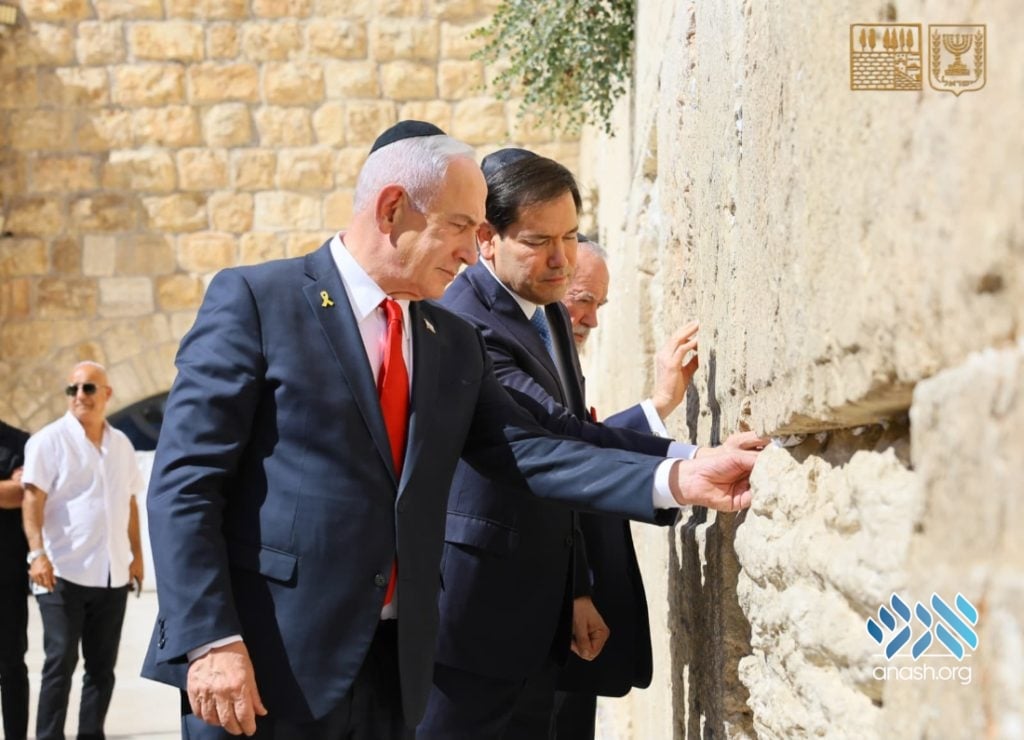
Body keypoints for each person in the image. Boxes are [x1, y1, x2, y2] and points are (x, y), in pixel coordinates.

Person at [140, 121, 760, 739]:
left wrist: (679, 476)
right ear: (392, 209)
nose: (471, 251)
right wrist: (210, 640)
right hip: (261, 665)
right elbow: (186, 483)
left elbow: (530, 449)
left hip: (392, 675)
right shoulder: (259, 300)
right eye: (460, 226)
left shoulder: (449, 339)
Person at [419, 153, 762, 739]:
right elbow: (554, 438)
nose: (562, 259)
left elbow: (573, 432)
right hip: (476, 618)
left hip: (543, 618)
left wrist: (577, 588)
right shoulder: (465, 324)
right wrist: (685, 468)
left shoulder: (546, 308)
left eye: (571, 237)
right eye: (538, 241)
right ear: (487, 239)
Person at [555, 236, 705, 738]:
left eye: (600, 305)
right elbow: (558, 468)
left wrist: (658, 405)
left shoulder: (556, 362)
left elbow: (582, 444)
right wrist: (575, 592)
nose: (592, 320)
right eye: (582, 300)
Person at [21, 361, 145, 740]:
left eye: (89, 388)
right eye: (72, 389)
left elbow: (130, 502)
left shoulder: (121, 444)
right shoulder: (48, 440)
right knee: (60, 664)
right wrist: (36, 554)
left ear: (107, 394)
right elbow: (32, 500)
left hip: (111, 574)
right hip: (61, 573)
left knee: (102, 669)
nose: (79, 396)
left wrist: (137, 557)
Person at [0, 420, 31, 740]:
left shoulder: (20, 443)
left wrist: (13, 489)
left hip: (7, 576)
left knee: (10, 663)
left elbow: (22, 494)